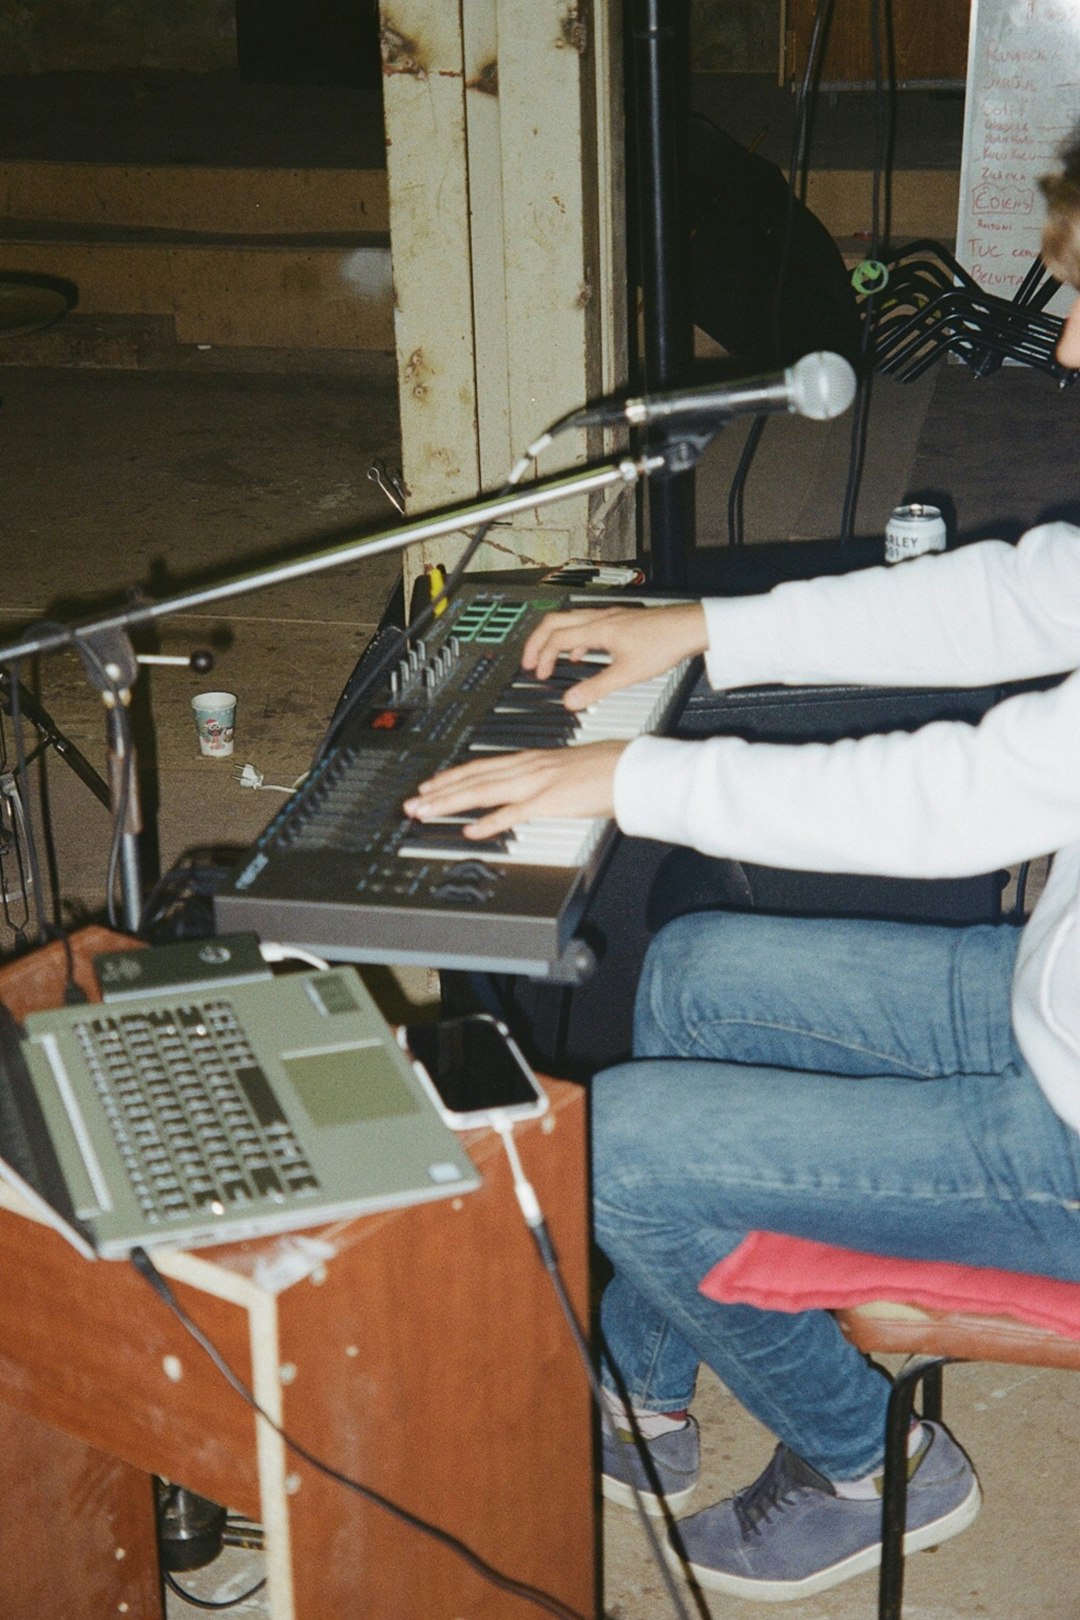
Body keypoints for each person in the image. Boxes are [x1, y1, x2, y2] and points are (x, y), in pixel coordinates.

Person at [402, 160, 1080, 1601]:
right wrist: (702, 629)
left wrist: (627, 777)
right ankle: (642, 1395)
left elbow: (966, 795)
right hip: (1051, 1003)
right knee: (698, 969)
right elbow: (1021, 590)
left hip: (1070, 1138)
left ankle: (867, 1463)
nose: (1070, 348)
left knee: (624, 1147)